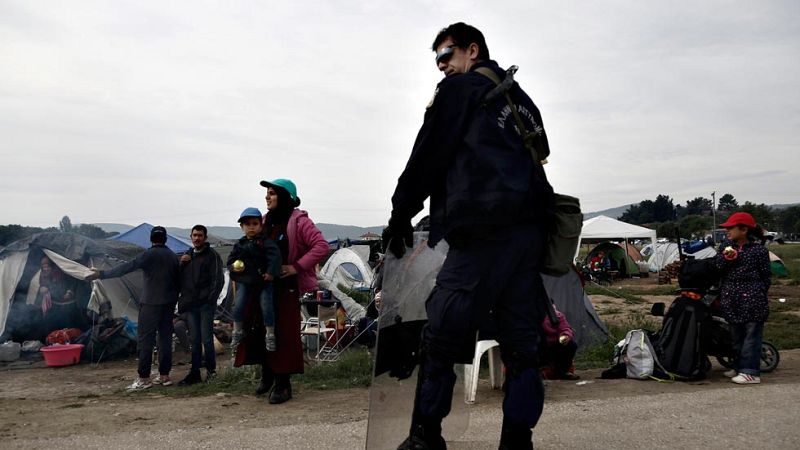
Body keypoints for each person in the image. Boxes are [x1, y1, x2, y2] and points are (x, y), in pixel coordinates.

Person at [382, 22, 555, 450]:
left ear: (471, 50)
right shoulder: (520, 98)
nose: (441, 67)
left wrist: (401, 213)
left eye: (446, 55)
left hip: (483, 229)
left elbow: (429, 153)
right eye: (437, 59)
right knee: (521, 344)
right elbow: (542, 153)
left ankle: (425, 438)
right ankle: (518, 441)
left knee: (441, 334)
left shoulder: (460, 90)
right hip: (529, 234)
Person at [245, 178, 328, 404]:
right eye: (267, 193)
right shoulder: (263, 221)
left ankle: (283, 385)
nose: (267, 197)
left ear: (283, 196)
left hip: (285, 287)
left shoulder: (299, 221)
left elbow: (322, 246)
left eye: (271, 193)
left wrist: (296, 266)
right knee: (263, 330)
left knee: (283, 334)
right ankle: (268, 375)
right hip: (264, 285)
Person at [87, 226, 180, 391]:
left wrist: (101, 274)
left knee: (146, 340)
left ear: (151, 239)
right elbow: (179, 280)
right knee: (165, 339)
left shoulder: (148, 254)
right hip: (169, 303)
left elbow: (126, 268)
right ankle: (164, 376)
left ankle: (144, 378)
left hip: (151, 303)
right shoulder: (173, 257)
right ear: (165, 239)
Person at [713, 212, 771, 385]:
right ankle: (738, 366)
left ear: (744, 229)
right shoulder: (726, 248)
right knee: (735, 335)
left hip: (753, 298)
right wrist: (726, 258)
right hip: (731, 297)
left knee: (751, 336)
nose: (727, 231)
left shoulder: (759, 251)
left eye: (731, 228)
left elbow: (766, 277)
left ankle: (750, 371)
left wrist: (757, 291)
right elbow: (717, 267)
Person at [228, 208, 282, 352]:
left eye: (254, 223)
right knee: (238, 305)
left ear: (260, 225)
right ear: (242, 227)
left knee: (266, 306)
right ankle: (237, 331)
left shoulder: (266, 242)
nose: (251, 227)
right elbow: (231, 261)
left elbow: (275, 257)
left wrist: (270, 273)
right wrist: (234, 268)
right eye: (247, 224)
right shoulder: (239, 244)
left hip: (263, 281)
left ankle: (270, 334)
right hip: (245, 281)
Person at [177, 224, 225, 386]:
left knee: (207, 339)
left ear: (205, 238)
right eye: (194, 235)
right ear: (191, 237)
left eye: (200, 235)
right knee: (195, 340)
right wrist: (181, 264)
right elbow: (179, 279)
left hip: (205, 305)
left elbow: (218, 280)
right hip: (190, 305)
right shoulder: (187, 256)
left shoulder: (212, 255)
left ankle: (211, 372)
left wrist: (210, 300)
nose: (197, 238)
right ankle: (195, 373)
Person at [38, 256, 84, 333]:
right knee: (55, 327)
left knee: (70, 326)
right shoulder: (43, 274)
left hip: (68, 305)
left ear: (52, 266)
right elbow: (43, 285)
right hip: (55, 305)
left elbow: (73, 281)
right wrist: (42, 288)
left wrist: (69, 292)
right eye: (43, 267)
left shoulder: (62, 271)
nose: (45, 269)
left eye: (47, 266)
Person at [539, 306, 579, 380]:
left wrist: (565, 336)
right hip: (539, 346)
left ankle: (562, 372)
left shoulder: (557, 315)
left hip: (554, 345)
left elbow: (565, 328)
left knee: (571, 345)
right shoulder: (530, 315)